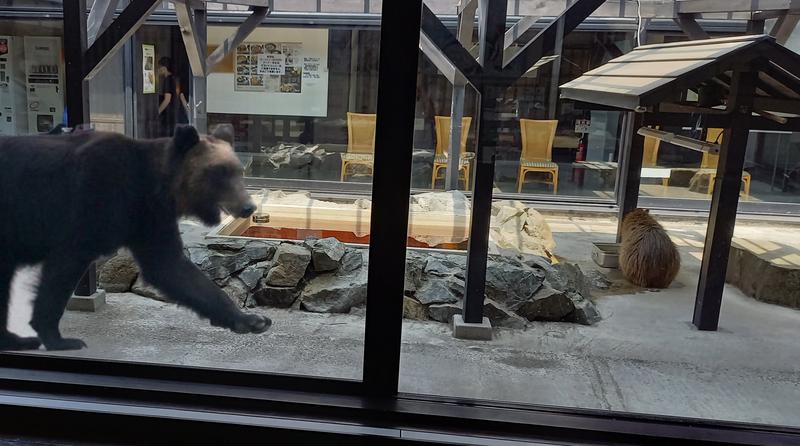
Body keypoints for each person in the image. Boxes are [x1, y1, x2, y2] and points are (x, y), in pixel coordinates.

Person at [157, 57, 179, 136]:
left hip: (168, 113)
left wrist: (158, 111)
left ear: (164, 68)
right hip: (174, 111)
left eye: (159, 67)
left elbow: (167, 100)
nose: (158, 70)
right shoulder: (174, 78)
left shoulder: (167, 81)